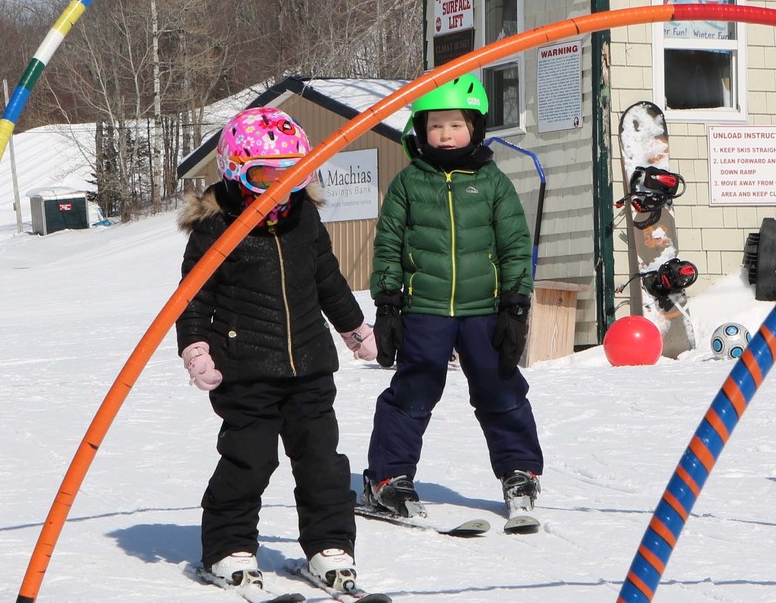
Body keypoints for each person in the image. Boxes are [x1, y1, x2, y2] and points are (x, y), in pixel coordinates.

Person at [176, 108, 378, 596]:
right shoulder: (216, 227)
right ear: (235, 171)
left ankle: (329, 547)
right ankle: (228, 549)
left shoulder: (304, 217)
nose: (279, 188)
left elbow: (327, 279)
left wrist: (354, 329)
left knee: (322, 461)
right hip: (245, 369)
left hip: (310, 364)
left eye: (294, 175)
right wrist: (196, 348)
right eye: (266, 175)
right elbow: (194, 297)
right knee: (250, 458)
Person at [362, 73, 542, 520]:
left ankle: (519, 470)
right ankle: (388, 477)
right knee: (413, 392)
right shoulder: (408, 184)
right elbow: (388, 244)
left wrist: (515, 305)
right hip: (425, 310)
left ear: (475, 128)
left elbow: (516, 244)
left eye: (456, 125)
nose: (445, 135)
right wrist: (387, 305)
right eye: (435, 125)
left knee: (500, 388)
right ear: (419, 130)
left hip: (485, 310)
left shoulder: (494, 182)